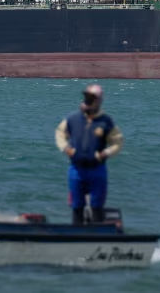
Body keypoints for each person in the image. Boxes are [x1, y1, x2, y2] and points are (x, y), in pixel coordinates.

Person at [55, 84, 124, 225]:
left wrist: (105, 153)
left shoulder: (106, 121)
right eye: (86, 97)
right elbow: (60, 133)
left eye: (91, 98)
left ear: (99, 100)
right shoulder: (72, 119)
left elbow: (118, 142)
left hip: (97, 170)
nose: (87, 101)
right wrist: (66, 148)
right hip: (76, 170)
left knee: (97, 205)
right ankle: (76, 233)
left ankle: (98, 233)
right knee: (76, 205)